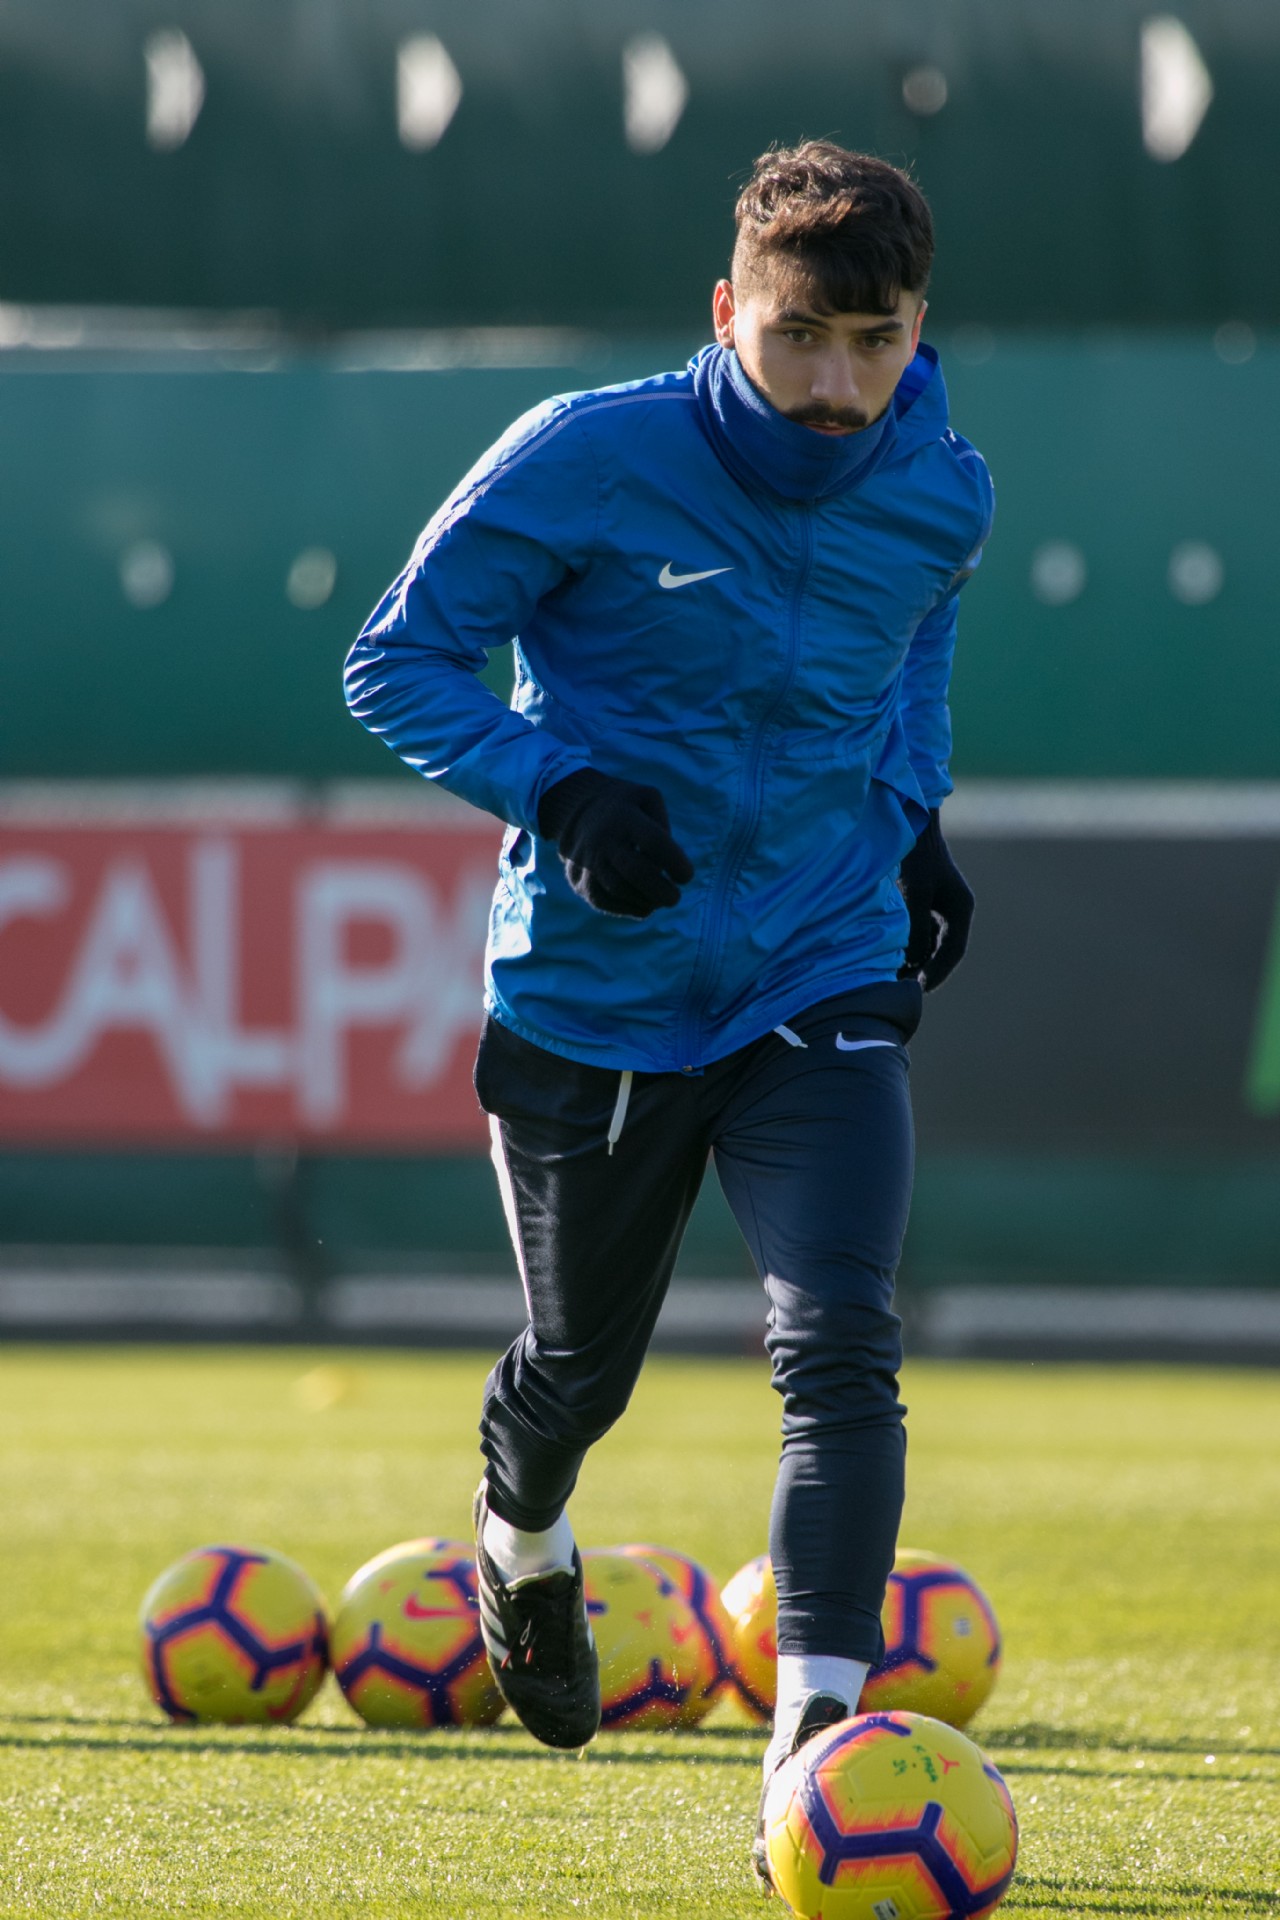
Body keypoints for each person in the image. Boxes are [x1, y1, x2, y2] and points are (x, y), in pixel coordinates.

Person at [344, 139, 992, 1883]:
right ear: (726, 312)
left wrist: (915, 820)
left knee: (841, 1341)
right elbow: (394, 660)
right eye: (800, 340)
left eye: (878, 341)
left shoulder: (942, 486)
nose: (840, 386)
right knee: (578, 1374)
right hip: (595, 996)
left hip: (816, 966)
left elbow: (914, 653)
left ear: (918, 324)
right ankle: (522, 1539)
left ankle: (816, 1734)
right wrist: (556, 790)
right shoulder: (586, 455)